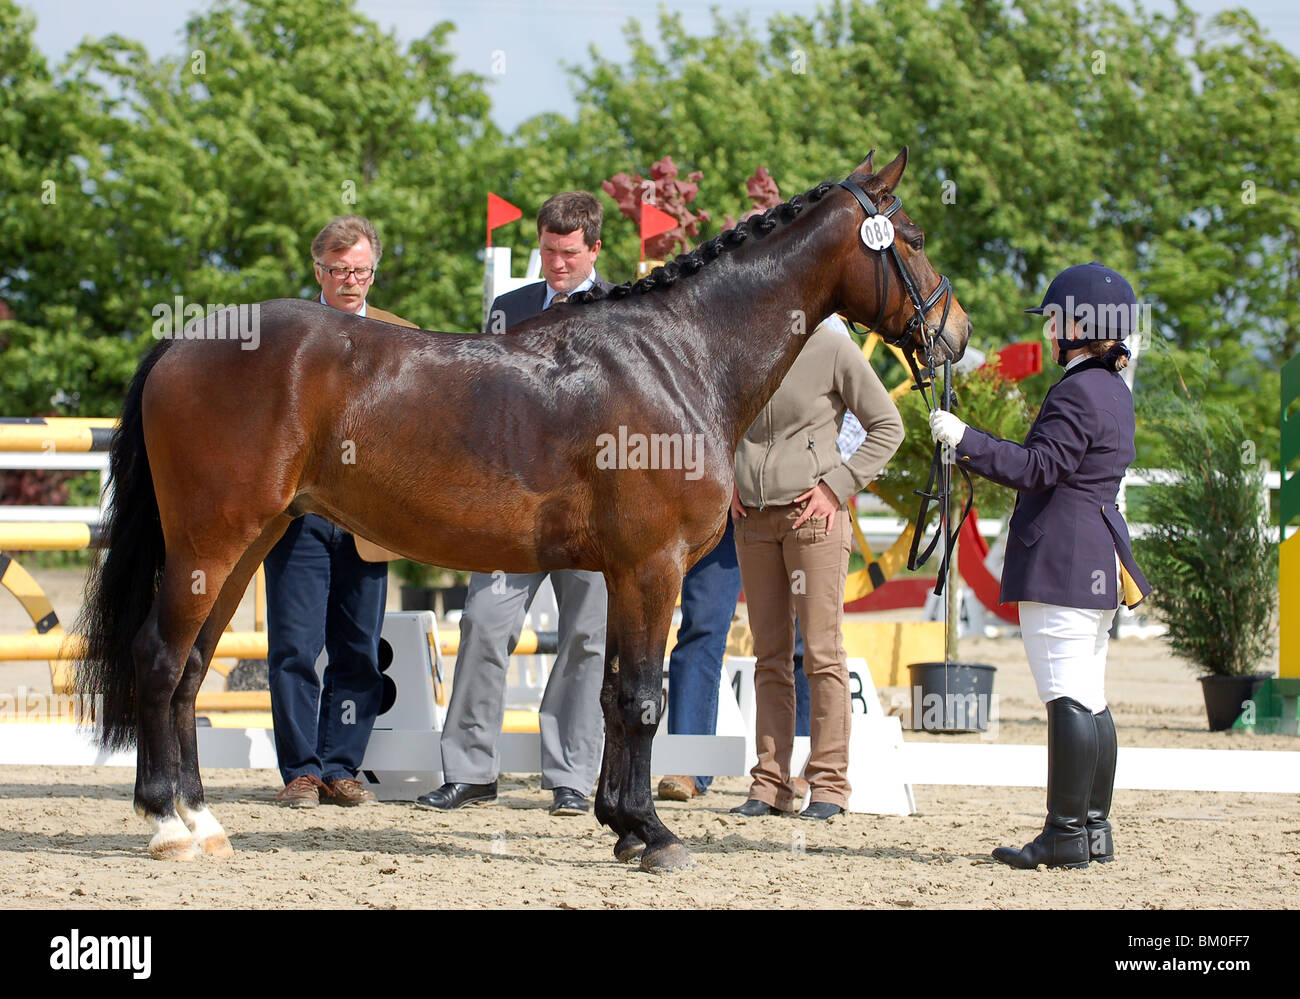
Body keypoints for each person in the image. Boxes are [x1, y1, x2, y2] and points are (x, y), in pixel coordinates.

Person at [929, 261, 1150, 868]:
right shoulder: (1113, 389)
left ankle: (1063, 832)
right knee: (1091, 696)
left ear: (1082, 326)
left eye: (1054, 321)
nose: (1049, 332)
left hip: (1063, 557)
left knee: (1066, 698)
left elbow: (1038, 469)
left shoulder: (1078, 390)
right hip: (1097, 553)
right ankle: (1093, 829)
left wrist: (964, 439)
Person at [417, 192, 614, 817]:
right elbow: (483, 401)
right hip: (516, 503)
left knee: (587, 636)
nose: (555, 264)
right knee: (482, 622)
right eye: (548, 251)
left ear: (594, 249)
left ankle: (573, 776)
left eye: (568, 253)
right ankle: (472, 771)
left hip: (590, 504)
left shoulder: (624, 309)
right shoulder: (509, 310)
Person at [657, 323, 867, 803]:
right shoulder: (736, 329)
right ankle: (692, 763)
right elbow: (705, 413)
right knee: (702, 627)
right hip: (731, 504)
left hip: (801, 507)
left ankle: (803, 775)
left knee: (806, 645)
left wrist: (830, 482)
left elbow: (857, 423)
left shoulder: (832, 337)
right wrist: (725, 475)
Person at [728, 318, 905, 820]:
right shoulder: (744, 341)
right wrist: (729, 479)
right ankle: (771, 784)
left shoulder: (832, 347)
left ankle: (829, 783)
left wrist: (838, 485)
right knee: (769, 656)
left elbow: (888, 425)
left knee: (823, 654)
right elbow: (717, 418)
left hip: (814, 520)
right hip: (753, 523)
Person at [269, 215, 417, 808]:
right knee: (295, 648)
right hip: (300, 512)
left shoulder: (404, 337)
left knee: (358, 651)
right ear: (318, 271)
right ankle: (300, 770)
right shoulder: (283, 336)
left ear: (373, 272)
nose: (349, 281)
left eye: (359, 270)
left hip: (370, 518)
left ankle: (342, 766)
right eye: (338, 271)